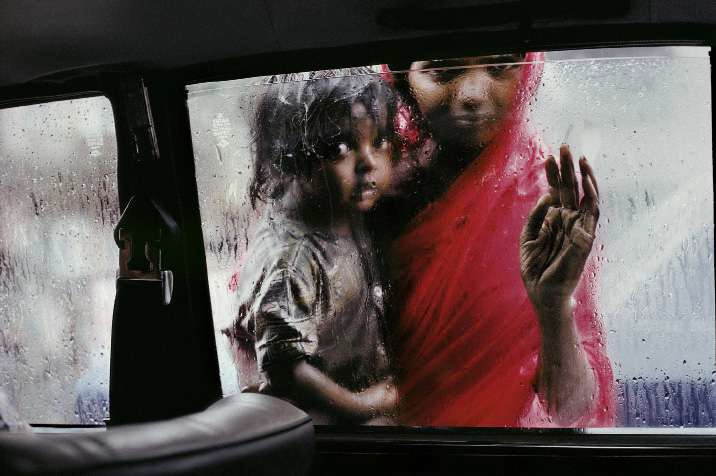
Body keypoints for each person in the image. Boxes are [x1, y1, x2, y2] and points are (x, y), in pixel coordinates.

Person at [376, 53, 615, 427]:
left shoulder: (546, 198)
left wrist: (553, 308)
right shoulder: (366, 179)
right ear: (400, 77)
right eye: (443, 71)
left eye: (500, 67)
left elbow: (571, 413)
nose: (473, 93)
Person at [225, 69, 398, 424]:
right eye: (339, 148)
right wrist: (362, 405)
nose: (369, 163)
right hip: (318, 422)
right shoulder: (293, 258)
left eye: (379, 141)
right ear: (290, 157)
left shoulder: (337, 204)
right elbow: (285, 368)